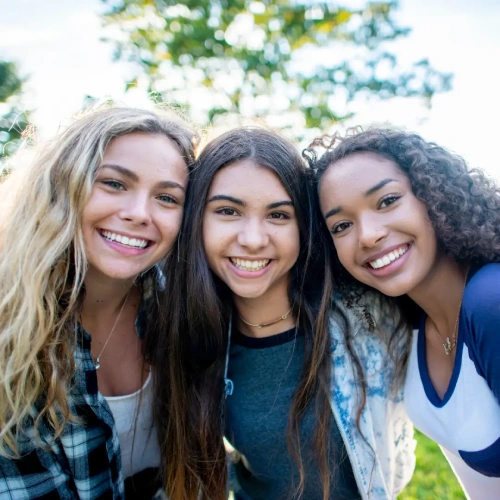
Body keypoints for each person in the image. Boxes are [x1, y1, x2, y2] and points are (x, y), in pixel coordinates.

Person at [151, 126, 415, 500]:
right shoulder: (186, 329)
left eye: (278, 215)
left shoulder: (368, 313)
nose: (254, 239)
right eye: (228, 211)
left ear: (303, 226)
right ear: (197, 220)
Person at [0, 105, 197, 499]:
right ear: (63, 186)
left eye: (167, 198)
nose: (140, 213)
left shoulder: (180, 313)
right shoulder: (11, 327)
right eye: (114, 184)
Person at [311, 128, 500, 499]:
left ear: (434, 196)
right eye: (342, 225)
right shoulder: (410, 319)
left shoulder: (490, 300)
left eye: (387, 200)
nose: (367, 235)